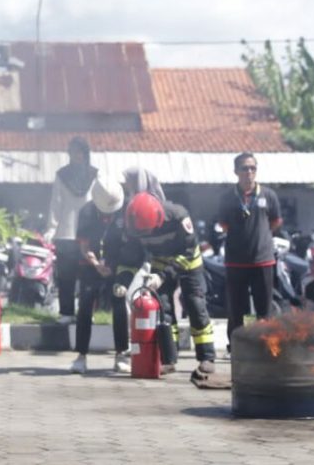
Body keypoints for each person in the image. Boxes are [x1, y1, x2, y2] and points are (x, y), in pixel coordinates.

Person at [118, 192, 217, 378]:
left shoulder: (179, 216)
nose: (147, 235)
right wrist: (122, 281)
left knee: (195, 306)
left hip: (187, 262)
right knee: (163, 311)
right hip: (160, 263)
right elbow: (131, 257)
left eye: (148, 231)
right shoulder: (134, 226)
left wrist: (163, 276)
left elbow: (188, 251)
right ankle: (168, 359)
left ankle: (207, 357)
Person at [217, 153, 282, 350]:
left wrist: (260, 237)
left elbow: (276, 221)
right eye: (245, 168)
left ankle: (264, 344)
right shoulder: (228, 197)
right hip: (236, 261)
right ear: (236, 171)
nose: (249, 172)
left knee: (264, 308)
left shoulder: (268, 195)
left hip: (262, 260)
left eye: (253, 168)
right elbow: (223, 224)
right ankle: (239, 344)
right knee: (239, 309)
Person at [69, 175, 127, 374]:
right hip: (90, 267)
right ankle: (81, 356)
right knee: (85, 308)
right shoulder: (86, 212)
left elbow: (129, 242)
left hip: (116, 266)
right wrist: (95, 263)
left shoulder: (125, 210)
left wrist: (115, 266)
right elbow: (84, 245)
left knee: (120, 307)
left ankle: (121, 354)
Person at [46, 136, 98, 324]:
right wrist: (51, 228)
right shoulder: (61, 175)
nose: (76, 156)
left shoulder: (95, 174)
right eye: (73, 152)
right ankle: (67, 313)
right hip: (65, 234)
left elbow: (99, 203)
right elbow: (56, 203)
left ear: (86, 154)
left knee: (88, 278)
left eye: (80, 152)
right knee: (66, 277)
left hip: (89, 235)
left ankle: (87, 313)